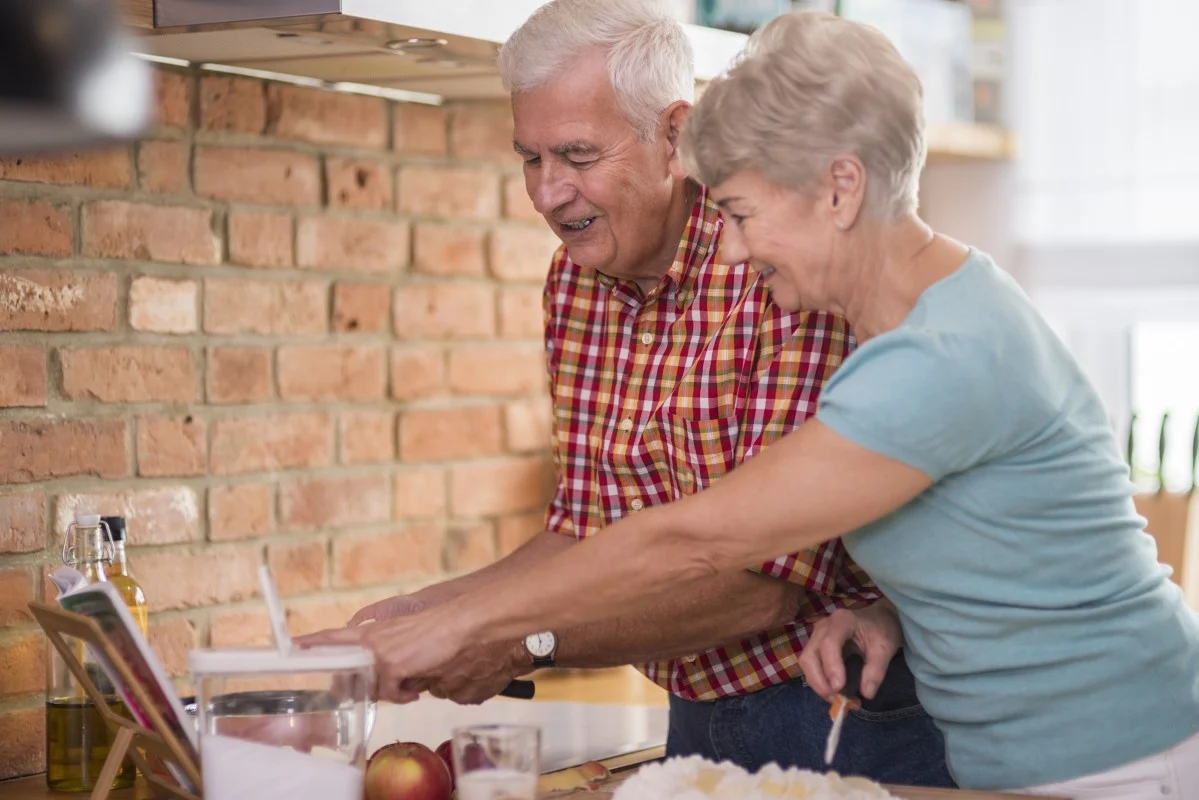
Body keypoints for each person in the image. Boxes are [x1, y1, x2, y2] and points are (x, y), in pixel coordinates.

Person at [303, 9, 1199, 799]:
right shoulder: (914, 326)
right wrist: (889, 611)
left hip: (1121, 754)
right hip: (1042, 752)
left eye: (737, 212)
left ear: (840, 190)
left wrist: (469, 627)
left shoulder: (934, 357)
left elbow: (699, 539)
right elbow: (1004, 543)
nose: (725, 255)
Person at [325, 0, 952, 787]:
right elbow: (583, 529)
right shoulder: (576, 283)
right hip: (694, 713)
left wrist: (512, 637)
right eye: (530, 157)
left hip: (846, 709)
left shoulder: (783, 267)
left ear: (673, 136)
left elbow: (760, 589)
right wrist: (420, 616)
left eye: (578, 155)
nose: (549, 194)